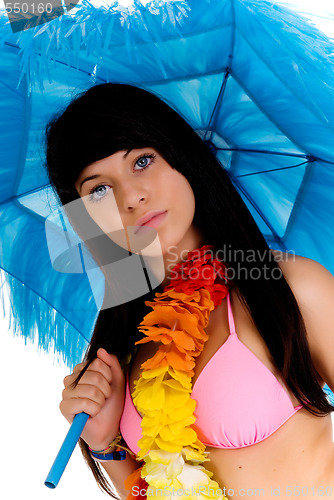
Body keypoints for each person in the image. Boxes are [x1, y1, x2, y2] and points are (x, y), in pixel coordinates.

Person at [45, 83, 334, 499]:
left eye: (142, 161)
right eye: (99, 190)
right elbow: (149, 493)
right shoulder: (125, 342)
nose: (131, 197)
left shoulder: (290, 287)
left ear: (184, 158)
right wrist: (106, 444)